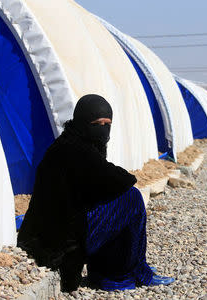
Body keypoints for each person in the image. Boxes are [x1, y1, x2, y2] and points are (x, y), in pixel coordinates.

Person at [17, 94, 175, 292]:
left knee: (116, 199)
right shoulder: (75, 150)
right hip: (59, 245)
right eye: (97, 123)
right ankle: (121, 274)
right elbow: (119, 180)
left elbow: (102, 180)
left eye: (107, 123)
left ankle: (114, 271)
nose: (103, 129)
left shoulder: (70, 142)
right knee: (131, 199)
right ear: (83, 121)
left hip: (53, 236)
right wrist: (122, 178)